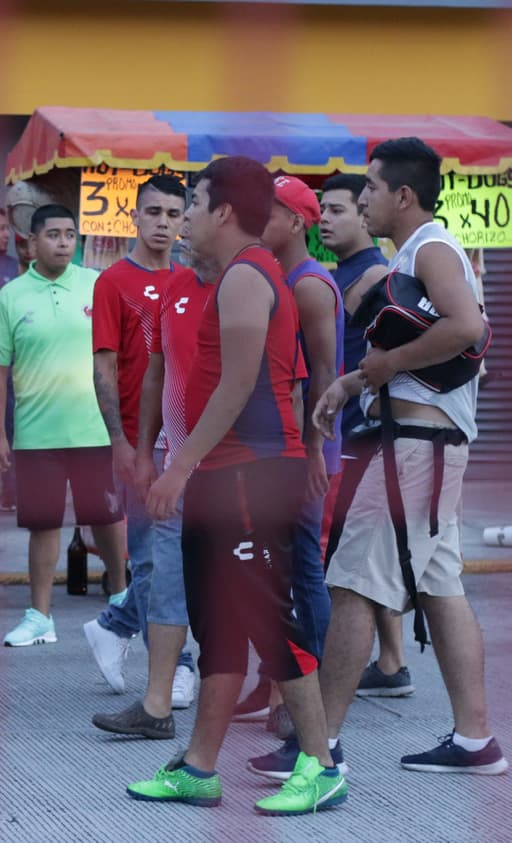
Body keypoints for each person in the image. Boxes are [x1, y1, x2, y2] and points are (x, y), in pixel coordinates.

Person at [128, 156, 346, 815]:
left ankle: (322, 764)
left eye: (193, 202)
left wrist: (178, 464)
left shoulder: (249, 275)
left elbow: (239, 385)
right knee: (219, 626)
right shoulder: (236, 274)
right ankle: (198, 767)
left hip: (250, 472)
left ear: (223, 210)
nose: (185, 215)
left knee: (268, 618)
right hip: (225, 476)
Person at [303, 138, 507, 775]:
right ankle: (475, 742)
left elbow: (466, 326)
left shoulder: (434, 248)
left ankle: (319, 750)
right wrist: (350, 384)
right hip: (425, 445)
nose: (360, 199)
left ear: (402, 195)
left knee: (353, 587)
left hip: (418, 449)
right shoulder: (416, 253)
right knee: (441, 588)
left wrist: (384, 363)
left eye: (367, 187)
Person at [0, 203, 128, 648]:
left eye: (70, 235)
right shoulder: (12, 296)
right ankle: (40, 616)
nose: (64, 243)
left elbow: (119, 358)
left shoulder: (97, 285)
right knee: (44, 525)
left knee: (106, 518)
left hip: (94, 430)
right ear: (31, 242)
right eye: (54, 235)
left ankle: (123, 600)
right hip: (36, 434)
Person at [87, 175, 199, 736]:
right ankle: (176, 664)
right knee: (154, 559)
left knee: (185, 560)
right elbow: (103, 367)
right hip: (137, 443)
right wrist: (121, 444)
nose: (162, 221)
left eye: (173, 212)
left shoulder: (194, 279)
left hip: (187, 443)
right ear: (133, 217)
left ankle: (115, 623)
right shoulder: (114, 282)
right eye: (152, 210)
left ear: (185, 220)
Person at [237, 176, 342, 733]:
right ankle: (274, 684)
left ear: (297, 222)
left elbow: (325, 375)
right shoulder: (276, 277)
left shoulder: (308, 284)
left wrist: (313, 451)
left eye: (270, 213)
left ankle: (314, 698)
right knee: (278, 570)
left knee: (304, 572)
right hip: (285, 447)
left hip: (307, 449)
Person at [317, 174, 410, 699]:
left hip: (365, 428)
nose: (324, 219)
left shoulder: (375, 274)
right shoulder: (347, 271)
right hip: (350, 423)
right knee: (372, 549)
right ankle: (392, 661)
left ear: (363, 213)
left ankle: (381, 662)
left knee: (353, 555)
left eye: (336, 209)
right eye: (321, 210)